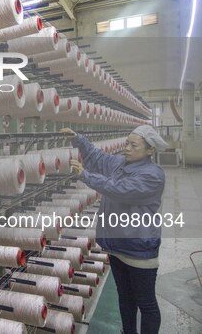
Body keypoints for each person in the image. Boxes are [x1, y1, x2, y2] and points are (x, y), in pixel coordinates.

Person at [61, 125, 168, 334]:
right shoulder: (120, 164)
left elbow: (119, 190)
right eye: (127, 143)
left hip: (139, 250)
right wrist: (78, 139)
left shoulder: (153, 175)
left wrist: (85, 175)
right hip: (117, 247)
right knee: (125, 298)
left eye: (133, 145)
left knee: (146, 303)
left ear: (150, 151)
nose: (127, 148)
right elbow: (98, 157)